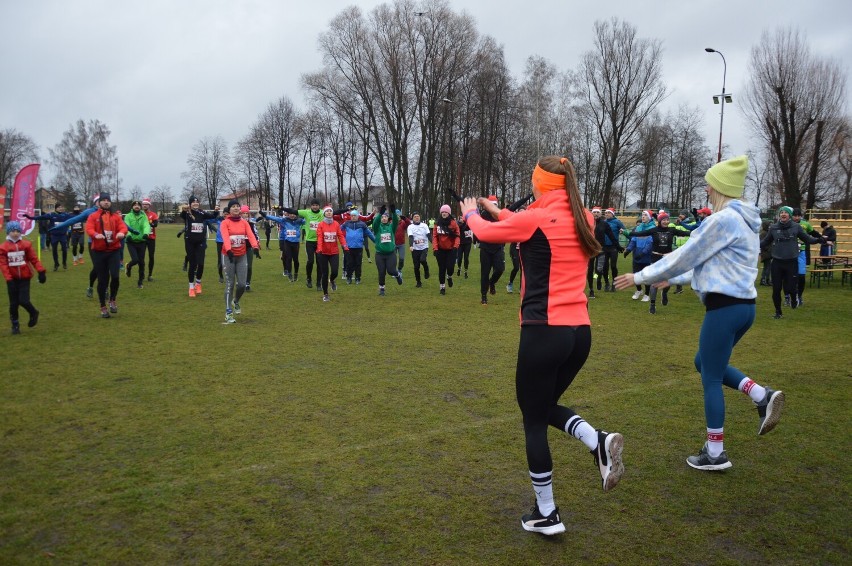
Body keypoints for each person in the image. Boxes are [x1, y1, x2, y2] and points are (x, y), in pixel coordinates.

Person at [459, 156, 623, 536]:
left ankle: (547, 513)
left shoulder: (537, 217)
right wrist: (495, 209)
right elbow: (524, 222)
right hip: (579, 332)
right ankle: (594, 441)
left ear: (540, 184)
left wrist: (471, 213)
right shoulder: (583, 214)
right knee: (542, 406)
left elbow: (485, 233)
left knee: (533, 418)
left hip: (544, 330)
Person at [615, 155, 785, 471]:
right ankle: (761, 395)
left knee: (710, 377)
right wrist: (674, 279)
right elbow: (712, 266)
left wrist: (641, 276)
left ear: (721, 186)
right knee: (703, 362)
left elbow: (687, 254)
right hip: (744, 308)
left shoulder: (723, 221)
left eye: (709, 183)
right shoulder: (744, 222)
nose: (706, 188)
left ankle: (715, 454)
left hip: (725, 309)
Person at [760, 206, 823, 319]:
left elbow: (807, 238)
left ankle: (794, 298)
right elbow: (765, 242)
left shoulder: (796, 227)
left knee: (790, 287)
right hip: (777, 263)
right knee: (776, 289)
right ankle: (778, 312)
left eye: (785, 212)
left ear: (789, 215)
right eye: (781, 212)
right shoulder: (773, 228)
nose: (783, 214)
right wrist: (751, 243)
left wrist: (819, 240)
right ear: (779, 215)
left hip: (791, 262)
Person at [625, 211, 682, 314]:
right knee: (654, 282)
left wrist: (698, 231)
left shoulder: (671, 230)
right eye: (664, 220)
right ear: (660, 221)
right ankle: (652, 304)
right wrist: (629, 233)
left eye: (667, 219)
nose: (666, 221)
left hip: (668, 258)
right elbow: (641, 234)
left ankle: (664, 293)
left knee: (667, 281)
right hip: (655, 258)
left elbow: (686, 233)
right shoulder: (654, 230)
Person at [85, 193, 128, 318]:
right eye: (103, 200)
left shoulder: (115, 217)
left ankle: (112, 300)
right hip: (99, 252)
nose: (106, 202)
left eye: (108, 200)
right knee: (103, 280)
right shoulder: (93, 216)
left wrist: (121, 233)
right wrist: (95, 235)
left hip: (113, 251)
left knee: (115, 277)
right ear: (98, 203)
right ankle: (102, 306)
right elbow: (89, 228)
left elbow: (123, 227)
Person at [1, 221, 47, 334]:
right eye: (13, 231)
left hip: (25, 278)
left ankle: (33, 312)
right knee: (13, 304)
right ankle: (15, 325)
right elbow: (3, 265)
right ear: (8, 232)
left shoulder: (26, 245)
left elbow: (34, 259)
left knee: (24, 300)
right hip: (12, 280)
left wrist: (41, 271)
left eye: (17, 231)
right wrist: (9, 279)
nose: (15, 233)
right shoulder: (3, 248)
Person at [219, 199, 260, 323]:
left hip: (242, 256)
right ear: (229, 210)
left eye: (238, 206)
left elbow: (251, 235)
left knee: (242, 284)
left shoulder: (244, 223)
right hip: (228, 256)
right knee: (230, 284)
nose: (236, 208)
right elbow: (225, 237)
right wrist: (229, 250)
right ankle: (228, 312)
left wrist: (255, 247)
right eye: (233, 207)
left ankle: (235, 301)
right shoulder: (225, 223)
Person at [280, 198, 324, 290]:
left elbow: (334, 213)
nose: (315, 207)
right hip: (309, 242)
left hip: (320, 241)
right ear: (311, 206)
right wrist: (282, 207)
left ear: (319, 206)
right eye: (313, 205)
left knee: (320, 262)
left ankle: (319, 283)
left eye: (316, 205)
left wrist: (348, 210)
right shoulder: (306, 213)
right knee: (311, 261)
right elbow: (293, 211)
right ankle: (308, 279)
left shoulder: (322, 213)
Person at [179, 196, 219, 298]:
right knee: (192, 265)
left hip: (200, 242)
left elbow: (212, 216)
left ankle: (198, 283)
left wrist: (216, 211)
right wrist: (185, 209)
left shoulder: (202, 213)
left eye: (197, 202)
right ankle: (191, 287)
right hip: (190, 242)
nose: (195, 203)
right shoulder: (187, 214)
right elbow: (182, 214)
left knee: (200, 264)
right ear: (190, 203)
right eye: (193, 202)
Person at [260, 208, 305, 282]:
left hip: (296, 243)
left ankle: (296, 273)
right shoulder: (284, 220)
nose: (292, 215)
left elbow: (309, 221)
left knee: (296, 260)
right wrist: (265, 215)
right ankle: (289, 273)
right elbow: (275, 218)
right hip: (287, 242)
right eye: (291, 214)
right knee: (288, 258)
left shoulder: (299, 221)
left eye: (294, 214)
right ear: (288, 214)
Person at [315, 205, 348, 302]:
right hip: (323, 253)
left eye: (330, 211)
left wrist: (344, 245)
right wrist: (319, 249)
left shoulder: (336, 224)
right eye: (327, 211)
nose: (329, 212)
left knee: (335, 271)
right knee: (325, 274)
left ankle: (332, 280)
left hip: (334, 252)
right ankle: (325, 294)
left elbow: (340, 236)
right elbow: (320, 237)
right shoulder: (321, 225)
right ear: (324, 213)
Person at [477, 195, 506, 305]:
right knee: (485, 272)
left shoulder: (500, 215)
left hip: (498, 247)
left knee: (500, 269)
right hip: (485, 248)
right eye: (491, 205)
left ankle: (492, 282)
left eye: (495, 205)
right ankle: (484, 296)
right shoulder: (484, 215)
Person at [26, 204, 73, 271]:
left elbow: (75, 217)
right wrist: (31, 218)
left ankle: (64, 262)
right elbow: (41, 217)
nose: (60, 208)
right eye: (59, 207)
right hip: (54, 236)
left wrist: (86, 215)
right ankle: (56, 264)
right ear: (56, 208)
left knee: (64, 250)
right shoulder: (51, 215)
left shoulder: (65, 215)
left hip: (63, 236)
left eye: (61, 207)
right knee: (54, 250)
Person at [586, 206, 618, 299]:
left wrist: (617, 245)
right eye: (594, 212)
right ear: (592, 213)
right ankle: (591, 290)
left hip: (601, 250)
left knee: (599, 269)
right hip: (590, 250)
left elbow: (611, 236)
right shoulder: (587, 223)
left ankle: (599, 279)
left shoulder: (604, 224)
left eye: (597, 212)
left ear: (600, 214)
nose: (596, 214)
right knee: (590, 269)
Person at [623, 211, 655, 301]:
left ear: (650, 217)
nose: (643, 217)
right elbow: (633, 240)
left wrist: (643, 253)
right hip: (637, 255)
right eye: (642, 215)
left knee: (647, 276)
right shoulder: (638, 227)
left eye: (645, 215)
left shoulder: (653, 228)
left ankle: (647, 294)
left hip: (647, 256)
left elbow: (650, 243)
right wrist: (628, 250)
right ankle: (639, 290)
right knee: (635, 275)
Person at [371, 206, 403, 296]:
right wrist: (380, 214)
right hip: (380, 254)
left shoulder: (391, 227)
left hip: (390, 254)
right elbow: (375, 223)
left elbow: (396, 222)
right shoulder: (377, 228)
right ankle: (382, 289)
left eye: (385, 217)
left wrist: (393, 213)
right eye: (382, 217)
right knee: (381, 272)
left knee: (391, 271)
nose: (384, 218)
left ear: (388, 219)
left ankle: (397, 275)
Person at [340, 210, 374, 284]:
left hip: (358, 247)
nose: (353, 217)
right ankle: (349, 277)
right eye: (352, 215)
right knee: (349, 263)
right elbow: (338, 230)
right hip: (349, 247)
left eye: (355, 215)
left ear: (358, 216)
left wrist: (376, 241)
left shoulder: (362, 224)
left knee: (358, 264)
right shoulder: (346, 223)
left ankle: (358, 278)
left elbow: (369, 234)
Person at [123, 200, 152, 289]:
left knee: (141, 263)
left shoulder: (144, 216)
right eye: (135, 205)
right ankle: (128, 266)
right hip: (131, 241)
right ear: (132, 207)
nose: (137, 206)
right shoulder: (128, 216)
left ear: (140, 207)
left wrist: (146, 234)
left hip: (142, 241)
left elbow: (146, 225)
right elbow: (126, 226)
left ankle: (140, 282)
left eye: (138, 205)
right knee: (135, 260)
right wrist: (128, 235)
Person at [432, 204, 460, 296]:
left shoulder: (453, 223)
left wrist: (456, 247)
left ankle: (449, 276)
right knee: (442, 269)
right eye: (442, 212)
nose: (444, 213)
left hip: (451, 250)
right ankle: (442, 287)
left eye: (446, 212)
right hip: (440, 250)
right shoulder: (437, 223)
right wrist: (435, 248)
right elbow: (435, 236)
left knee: (450, 268)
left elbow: (457, 236)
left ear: (449, 213)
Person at [602, 208, 625, 292]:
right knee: (605, 266)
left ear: (612, 214)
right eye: (606, 213)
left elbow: (625, 230)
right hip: (604, 247)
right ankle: (607, 283)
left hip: (613, 247)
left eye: (608, 213)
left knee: (613, 266)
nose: (607, 214)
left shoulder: (617, 222)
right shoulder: (603, 222)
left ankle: (614, 284)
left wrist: (622, 231)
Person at [407, 212, 431, 288]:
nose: (417, 218)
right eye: (415, 217)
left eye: (418, 216)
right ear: (412, 218)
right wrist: (411, 245)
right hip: (415, 248)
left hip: (424, 247)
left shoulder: (424, 225)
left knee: (423, 260)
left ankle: (426, 270)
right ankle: (418, 282)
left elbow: (428, 235)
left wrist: (434, 243)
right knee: (416, 266)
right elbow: (410, 237)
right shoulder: (410, 227)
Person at [141, 198, 159, 281]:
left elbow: (155, 224)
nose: (145, 205)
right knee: (141, 257)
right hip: (142, 239)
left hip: (151, 238)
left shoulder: (153, 214)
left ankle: (150, 275)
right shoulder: (139, 214)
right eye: (143, 204)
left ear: (149, 205)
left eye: (146, 204)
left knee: (151, 257)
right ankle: (142, 274)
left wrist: (148, 223)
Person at [456, 213, 472, 279]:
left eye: (463, 218)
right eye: (461, 218)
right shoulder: (458, 225)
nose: (462, 219)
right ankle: (459, 268)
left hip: (467, 243)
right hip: (460, 244)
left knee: (466, 258)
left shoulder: (467, 224)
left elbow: (470, 226)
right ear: (459, 219)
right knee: (459, 258)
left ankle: (466, 272)